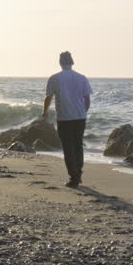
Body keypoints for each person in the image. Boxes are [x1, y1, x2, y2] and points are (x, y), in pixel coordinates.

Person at [42, 51, 92, 187]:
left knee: (68, 148)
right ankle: (78, 174)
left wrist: (45, 111)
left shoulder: (55, 78)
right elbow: (87, 98)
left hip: (64, 118)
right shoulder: (82, 78)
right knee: (78, 145)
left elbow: (49, 97)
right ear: (72, 62)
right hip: (80, 117)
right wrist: (83, 111)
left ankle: (73, 177)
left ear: (60, 62)